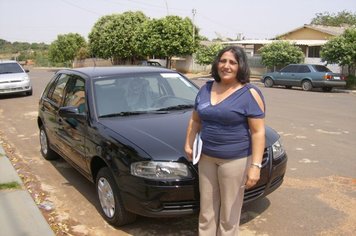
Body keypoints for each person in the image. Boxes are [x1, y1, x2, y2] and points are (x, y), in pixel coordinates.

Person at [185, 46, 265, 236]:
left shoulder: (249, 93)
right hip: (206, 158)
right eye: (223, 61)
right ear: (217, 63)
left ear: (240, 66)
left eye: (232, 62)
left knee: (229, 213)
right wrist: (188, 143)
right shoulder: (205, 88)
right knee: (207, 210)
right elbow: (195, 119)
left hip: (235, 160)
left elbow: (258, 132)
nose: (226, 66)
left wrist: (255, 165)